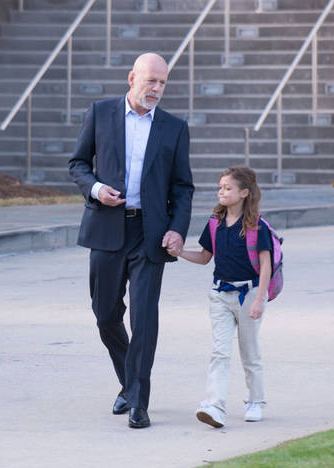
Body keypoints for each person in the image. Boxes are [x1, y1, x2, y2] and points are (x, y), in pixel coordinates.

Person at [69, 52, 194, 429]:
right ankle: (128, 381)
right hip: (106, 227)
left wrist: (177, 229)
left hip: (150, 235)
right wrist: (95, 188)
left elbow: (183, 187)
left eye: (162, 83)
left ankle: (138, 402)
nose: (156, 89)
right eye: (151, 81)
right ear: (131, 78)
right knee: (105, 313)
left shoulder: (174, 128)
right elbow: (78, 164)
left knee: (144, 317)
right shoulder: (101, 112)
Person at [169, 166, 270, 428]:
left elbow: (266, 265)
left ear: (244, 193)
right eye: (220, 187)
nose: (221, 192)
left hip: (248, 295)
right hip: (219, 294)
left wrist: (260, 299)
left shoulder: (257, 226)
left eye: (228, 188)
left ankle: (255, 401)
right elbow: (204, 257)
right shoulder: (215, 222)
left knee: (250, 352)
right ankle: (215, 406)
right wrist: (180, 252)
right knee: (219, 352)